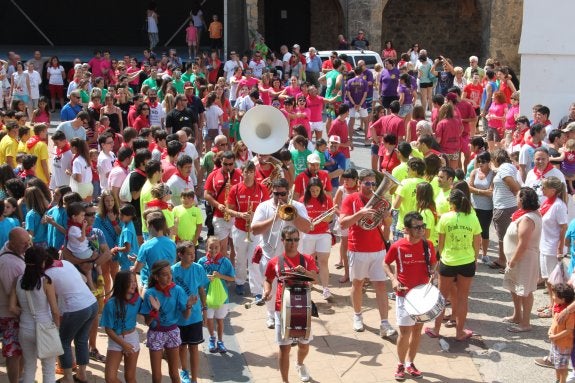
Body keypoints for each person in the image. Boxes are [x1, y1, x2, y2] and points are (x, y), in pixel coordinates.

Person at [339, 169, 396, 337]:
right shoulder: (350, 199)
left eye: (373, 184)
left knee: (380, 285)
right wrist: (360, 213)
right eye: (367, 183)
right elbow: (343, 223)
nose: (371, 187)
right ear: (359, 183)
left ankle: (384, 323)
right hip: (358, 249)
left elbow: (386, 233)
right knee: (357, 284)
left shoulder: (382, 202)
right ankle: (357, 316)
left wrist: (387, 220)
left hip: (378, 250)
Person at [251, 178, 311, 329]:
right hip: (271, 256)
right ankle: (271, 314)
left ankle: (292, 318)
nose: (279, 198)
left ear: (288, 192)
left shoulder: (298, 206)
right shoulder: (264, 207)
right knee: (271, 288)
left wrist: (293, 214)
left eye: (282, 194)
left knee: (295, 290)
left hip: (294, 259)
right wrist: (275, 217)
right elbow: (255, 229)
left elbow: (307, 228)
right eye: (276, 194)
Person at [384, 212, 436, 381]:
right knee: (404, 332)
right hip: (404, 295)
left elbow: (433, 263)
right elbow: (385, 263)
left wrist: (434, 272)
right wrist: (393, 279)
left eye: (423, 226)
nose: (422, 230)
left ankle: (410, 363)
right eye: (417, 227)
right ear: (406, 229)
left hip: (422, 296)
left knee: (417, 331)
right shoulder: (397, 246)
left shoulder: (428, 245)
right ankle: (400, 363)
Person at [263, 225, 319, 383]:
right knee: (284, 347)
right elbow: (267, 279)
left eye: (295, 240)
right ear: (282, 240)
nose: (293, 243)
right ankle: (285, 381)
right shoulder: (275, 261)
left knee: (304, 345)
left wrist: (305, 273)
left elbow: (315, 279)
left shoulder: (307, 259)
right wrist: (266, 291)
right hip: (282, 308)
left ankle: (300, 364)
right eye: (289, 240)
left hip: (303, 308)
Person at [425, 189, 481, 341]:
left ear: (452, 203)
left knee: (441, 297)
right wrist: (474, 259)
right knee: (463, 298)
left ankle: (436, 330)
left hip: (448, 261)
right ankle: (459, 332)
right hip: (467, 261)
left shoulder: (445, 218)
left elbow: (441, 244)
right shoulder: (472, 218)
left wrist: (441, 257)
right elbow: (477, 242)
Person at [44, 253, 99, 383]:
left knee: (63, 342)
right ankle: (82, 375)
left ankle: (68, 378)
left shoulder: (46, 275)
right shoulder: (66, 264)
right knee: (81, 339)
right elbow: (84, 279)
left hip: (76, 309)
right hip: (91, 303)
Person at [9, 246, 60, 383]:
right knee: (48, 368)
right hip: (45, 326)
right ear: (42, 262)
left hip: (25, 328)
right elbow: (55, 310)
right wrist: (57, 328)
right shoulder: (46, 281)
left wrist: (25, 313)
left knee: (29, 366)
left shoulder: (18, 280)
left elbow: (12, 307)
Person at [140, 260, 195, 383]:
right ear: (156, 277)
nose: (169, 276)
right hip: (156, 333)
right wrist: (154, 311)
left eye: (170, 272)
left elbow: (186, 316)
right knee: (157, 375)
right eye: (164, 274)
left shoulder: (178, 290)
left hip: (172, 331)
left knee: (174, 373)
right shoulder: (150, 293)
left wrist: (189, 306)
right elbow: (147, 322)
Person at [226, 161, 269, 296]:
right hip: (239, 228)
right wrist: (240, 215)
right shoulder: (235, 189)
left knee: (254, 259)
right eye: (246, 172)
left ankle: (256, 290)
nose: (249, 175)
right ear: (242, 172)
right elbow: (228, 209)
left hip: (255, 230)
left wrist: (255, 215)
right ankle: (239, 283)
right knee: (240, 258)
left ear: (254, 173)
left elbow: (267, 208)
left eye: (251, 172)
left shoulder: (262, 189)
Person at [502, 187, 542, 333]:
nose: (515, 198)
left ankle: (525, 323)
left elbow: (523, 244)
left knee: (525, 291)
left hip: (524, 260)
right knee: (514, 288)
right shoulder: (524, 215)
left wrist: (513, 261)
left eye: (517, 196)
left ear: (522, 199)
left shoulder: (528, 218)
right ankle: (517, 315)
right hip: (515, 258)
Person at [172, 242, 209, 383]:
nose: (193, 256)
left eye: (194, 253)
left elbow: (201, 290)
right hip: (179, 316)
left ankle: (194, 378)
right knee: (182, 346)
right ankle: (184, 371)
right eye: (189, 253)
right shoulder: (173, 271)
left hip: (195, 316)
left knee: (194, 348)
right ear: (180, 255)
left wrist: (204, 308)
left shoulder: (198, 268)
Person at [0, 227, 31, 383]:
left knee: (20, 351)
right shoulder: (8, 263)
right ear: (12, 243)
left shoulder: (16, 252)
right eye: (23, 243)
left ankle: (20, 377)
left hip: (16, 312)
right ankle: (15, 380)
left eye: (28, 242)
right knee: (13, 352)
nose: (27, 246)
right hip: (9, 314)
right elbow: (12, 292)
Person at [99, 271, 142, 383]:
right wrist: (123, 344)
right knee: (110, 378)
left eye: (134, 281)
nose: (134, 284)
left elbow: (149, 315)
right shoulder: (110, 304)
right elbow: (108, 329)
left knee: (130, 377)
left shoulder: (138, 300)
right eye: (130, 282)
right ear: (121, 283)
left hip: (132, 338)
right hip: (115, 340)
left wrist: (155, 310)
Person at [537, 176, 569, 319]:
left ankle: (555, 306)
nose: (542, 189)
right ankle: (552, 304)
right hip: (544, 246)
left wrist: (560, 248)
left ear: (553, 190)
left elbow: (563, 227)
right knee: (548, 280)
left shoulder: (558, 205)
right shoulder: (547, 203)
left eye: (544, 187)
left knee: (554, 282)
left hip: (552, 248)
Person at [197, 237, 235, 354]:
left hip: (221, 297)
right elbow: (197, 278)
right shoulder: (201, 262)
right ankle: (212, 338)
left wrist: (220, 276)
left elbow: (232, 278)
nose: (213, 250)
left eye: (216, 248)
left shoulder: (225, 262)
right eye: (210, 248)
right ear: (206, 247)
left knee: (220, 320)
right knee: (209, 319)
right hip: (206, 296)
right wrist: (205, 278)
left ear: (221, 248)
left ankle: (220, 341)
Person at [300, 177, 335, 300]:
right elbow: (299, 217)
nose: (314, 193)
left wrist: (328, 218)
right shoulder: (303, 200)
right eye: (312, 190)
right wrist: (306, 220)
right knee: (308, 261)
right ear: (308, 190)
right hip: (308, 234)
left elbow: (331, 215)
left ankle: (326, 288)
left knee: (323, 261)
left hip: (323, 233)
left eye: (317, 190)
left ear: (321, 189)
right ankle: (308, 282)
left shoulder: (327, 199)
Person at [490, 149, 520, 270]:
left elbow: (508, 180)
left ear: (497, 158)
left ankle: (505, 261)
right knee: (505, 236)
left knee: (504, 237)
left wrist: (516, 191)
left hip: (504, 207)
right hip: (507, 206)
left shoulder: (504, 168)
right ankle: (504, 260)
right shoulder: (508, 166)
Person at [468, 151, 495, 263]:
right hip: (474, 206)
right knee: (472, 231)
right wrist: (482, 191)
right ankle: (472, 253)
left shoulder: (493, 174)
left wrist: (476, 191)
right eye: (478, 161)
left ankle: (484, 254)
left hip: (486, 208)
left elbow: (491, 192)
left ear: (489, 162)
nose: (480, 164)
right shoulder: (474, 172)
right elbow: (469, 188)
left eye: (483, 161)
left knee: (484, 232)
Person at [547, 283, 575, 383]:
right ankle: (558, 379)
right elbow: (554, 322)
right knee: (556, 364)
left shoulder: (570, 314)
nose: (552, 297)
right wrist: (550, 330)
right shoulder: (558, 307)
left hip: (563, 345)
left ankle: (562, 381)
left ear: (563, 299)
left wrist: (555, 337)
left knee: (562, 368)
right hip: (555, 342)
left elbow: (569, 330)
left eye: (554, 295)